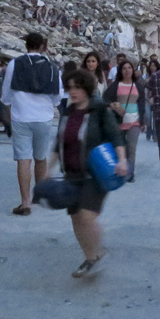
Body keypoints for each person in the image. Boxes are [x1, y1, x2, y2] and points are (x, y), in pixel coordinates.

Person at [55, 69, 127, 277]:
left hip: (95, 173)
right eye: (69, 87)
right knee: (76, 219)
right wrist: (50, 164)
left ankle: (98, 249)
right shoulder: (68, 112)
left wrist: (121, 161)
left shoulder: (100, 110)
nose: (73, 91)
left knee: (86, 216)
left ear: (86, 89)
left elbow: (116, 136)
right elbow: (59, 141)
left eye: (77, 87)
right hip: (72, 173)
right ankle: (90, 257)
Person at [2, 33, 64, 215]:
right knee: (40, 157)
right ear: (43, 46)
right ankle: (39, 196)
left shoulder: (15, 64)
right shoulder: (52, 67)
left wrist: (9, 102)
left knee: (23, 159)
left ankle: (25, 202)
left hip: (21, 116)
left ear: (25, 45)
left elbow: (7, 91)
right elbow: (58, 96)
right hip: (44, 117)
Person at [103, 60, 145, 182]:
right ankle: (120, 170)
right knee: (119, 147)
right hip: (118, 121)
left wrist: (143, 121)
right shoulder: (116, 85)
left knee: (131, 148)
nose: (127, 71)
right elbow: (105, 100)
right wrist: (114, 106)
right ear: (120, 71)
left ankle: (130, 173)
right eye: (124, 68)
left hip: (134, 121)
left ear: (133, 70)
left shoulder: (138, 86)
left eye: (129, 68)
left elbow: (142, 104)